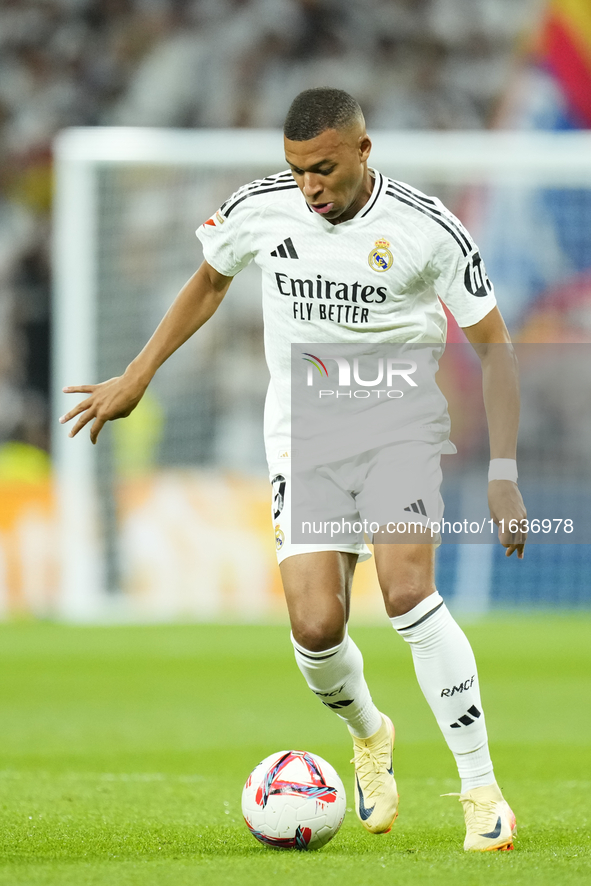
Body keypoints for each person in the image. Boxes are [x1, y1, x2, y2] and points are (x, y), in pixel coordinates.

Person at [60, 87, 527, 851]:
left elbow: (495, 347)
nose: (308, 187)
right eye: (296, 169)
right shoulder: (262, 208)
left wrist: (502, 471)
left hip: (398, 426)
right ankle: (370, 736)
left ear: (362, 152)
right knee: (316, 627)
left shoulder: (427, 229)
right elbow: (210, 280)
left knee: (407, 590)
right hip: (304, 437)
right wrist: (138, 373)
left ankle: (481, 792)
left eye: (322, 169)